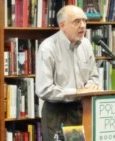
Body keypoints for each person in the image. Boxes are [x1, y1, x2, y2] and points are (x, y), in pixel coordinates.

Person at [36, 5, 100, 141]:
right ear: (62, 25)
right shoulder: (47, 48)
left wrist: (91, 85)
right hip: (57, 111)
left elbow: (94, 76)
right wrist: (77, 92)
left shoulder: (86, 45)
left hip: (82, 109)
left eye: (84, 21)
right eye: (77, 21)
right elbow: (44, 89)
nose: (83, 26)